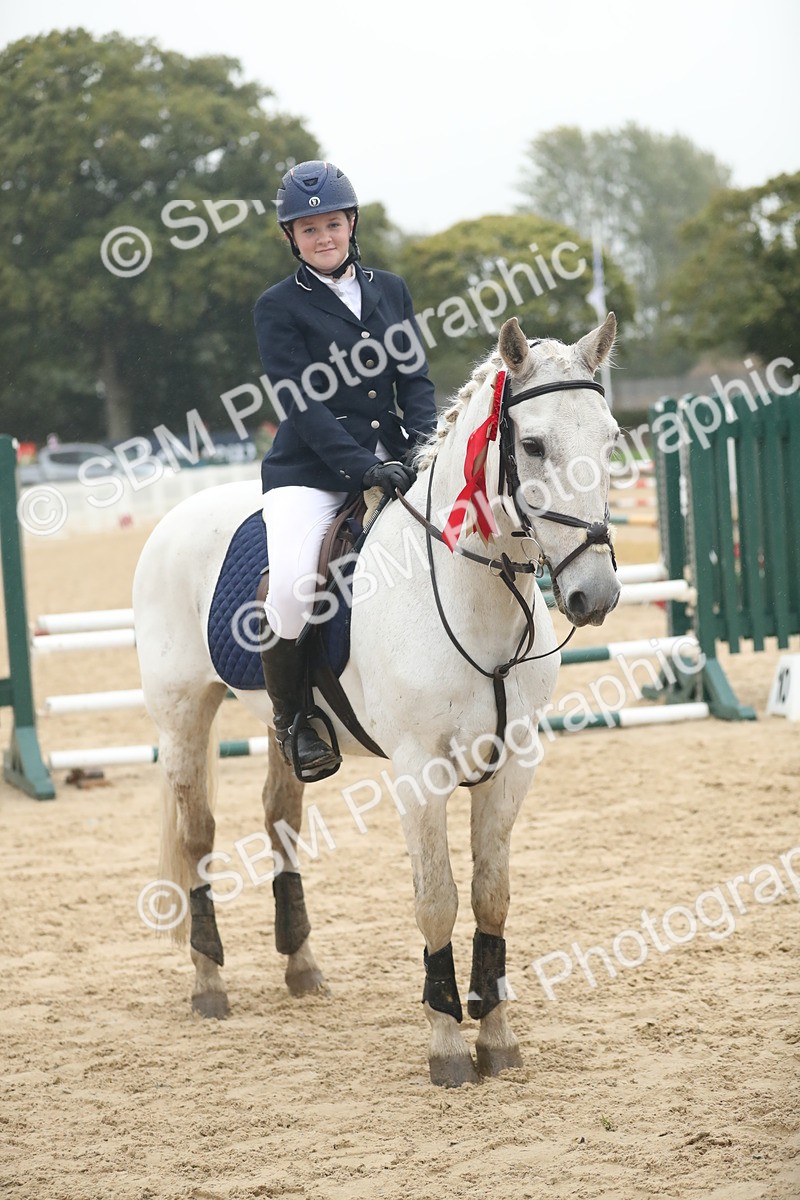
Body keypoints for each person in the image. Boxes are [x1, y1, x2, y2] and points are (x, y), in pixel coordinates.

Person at [253, 161, 437, 777]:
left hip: (392, 461)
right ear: (292, 238)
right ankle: (294, 719)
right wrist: (362, 467)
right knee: (291, 589)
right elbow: (299, 403)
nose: (322, 237)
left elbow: (414, 378)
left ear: (351, 224)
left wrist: (422, 447)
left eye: (332, 224)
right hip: (309, 471)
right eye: (308, 230)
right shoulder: (277, 307)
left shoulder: (392, 289)